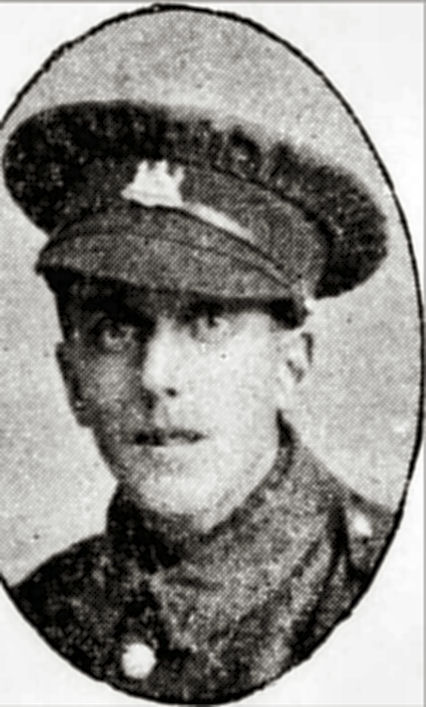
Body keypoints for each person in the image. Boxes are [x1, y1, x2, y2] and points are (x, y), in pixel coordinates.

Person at [1, 10, 395, 704]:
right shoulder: (41, 613)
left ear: (291, 364)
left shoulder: (387, 594)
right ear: (72, 381)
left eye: (208, 322)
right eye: (114, 330)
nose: (156, 377)